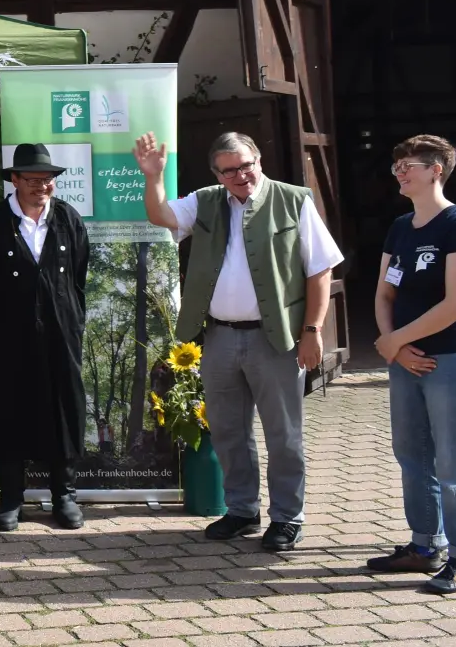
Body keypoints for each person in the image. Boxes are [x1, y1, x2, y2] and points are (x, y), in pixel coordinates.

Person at [136, 131, 342, 551]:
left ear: (258, 159)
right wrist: (153, 175)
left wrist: (313, 331)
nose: (240, 175)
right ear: (217, 173)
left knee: (283, 435)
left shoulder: (293, 199)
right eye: (229, 170)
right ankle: (243, 510)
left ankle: (287, 517)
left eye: (246, 165)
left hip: (277, 338)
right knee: (228, 431)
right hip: (219, 336)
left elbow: (320, 271)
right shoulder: (207, 199)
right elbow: (161, 216)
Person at [366, 135, 456, 594]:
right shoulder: (401, 227)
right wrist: (394, 348)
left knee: (452, 460)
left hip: (453, 358)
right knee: (412, 455)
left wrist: (397, 340)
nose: (400, 171)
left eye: (410, 164)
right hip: (406, 358)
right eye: (396, 163)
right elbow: (384, 292)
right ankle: (424, 547)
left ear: (437, 169)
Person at [0, 144, 90, 531]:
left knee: (63, 408)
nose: (42, 187)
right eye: (33, 180)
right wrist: (6, 315)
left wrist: (67, 316)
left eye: (47, 180)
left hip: (61, 332)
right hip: (8, 335)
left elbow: (79, 274)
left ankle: (63, 495)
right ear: (14, 180)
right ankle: (11, 497)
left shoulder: (68, 219)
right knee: (9, 409)